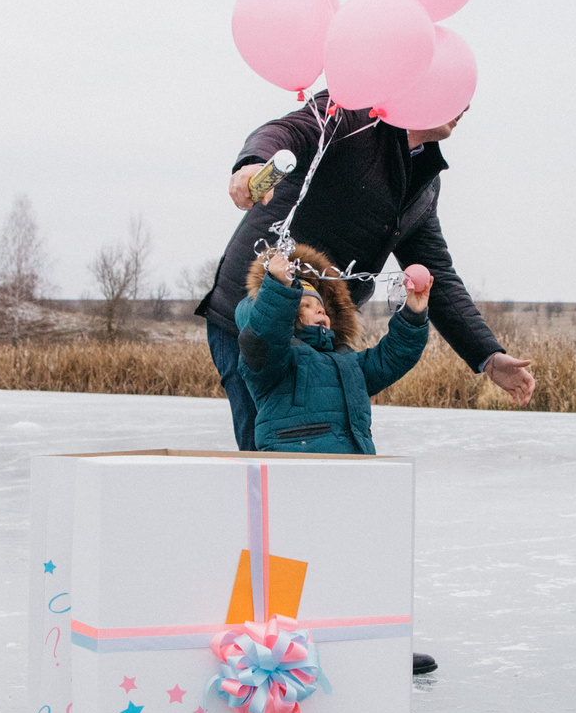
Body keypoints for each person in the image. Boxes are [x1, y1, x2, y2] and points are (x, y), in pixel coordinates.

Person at [199, 94, 535, 677]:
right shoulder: (353, 111)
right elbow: (289, 128)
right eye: (448, 90)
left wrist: (488, 355)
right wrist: (253, 163)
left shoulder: (423, 174)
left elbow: (439, 271)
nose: (465, 104)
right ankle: (267, 638)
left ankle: (357, 629)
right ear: (416, 80)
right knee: (275, 478)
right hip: (256, 318)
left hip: (326, 330)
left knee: (342, 492)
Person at [234, 244, 435, 453]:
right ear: (288, 315)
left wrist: (413, 314)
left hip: (351, 469)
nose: (320, 309)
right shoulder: (275, 361)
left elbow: (393, 356)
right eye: (306, 306)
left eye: (320, 306)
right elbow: (266, 334)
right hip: (297, 468)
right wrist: (277, 288)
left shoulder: (348, 361)